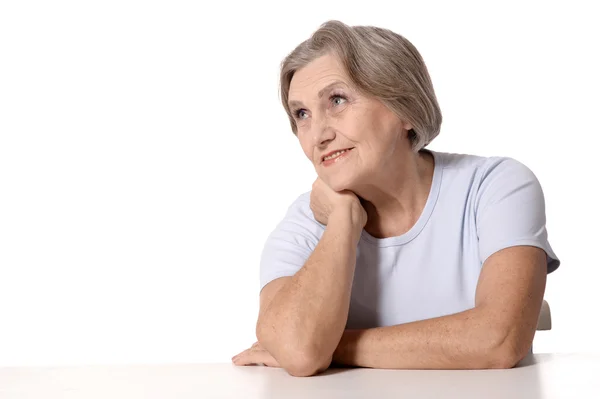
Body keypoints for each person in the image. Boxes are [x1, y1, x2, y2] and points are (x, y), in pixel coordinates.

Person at [231, 20, 560, 377]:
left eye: (337, 100)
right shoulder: (302, 224)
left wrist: (329, 345)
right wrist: (343, 219)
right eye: (302, 114)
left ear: (402, 106)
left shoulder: (495, 187)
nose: (318, 134)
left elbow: (498, 340)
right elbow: (299, 353)